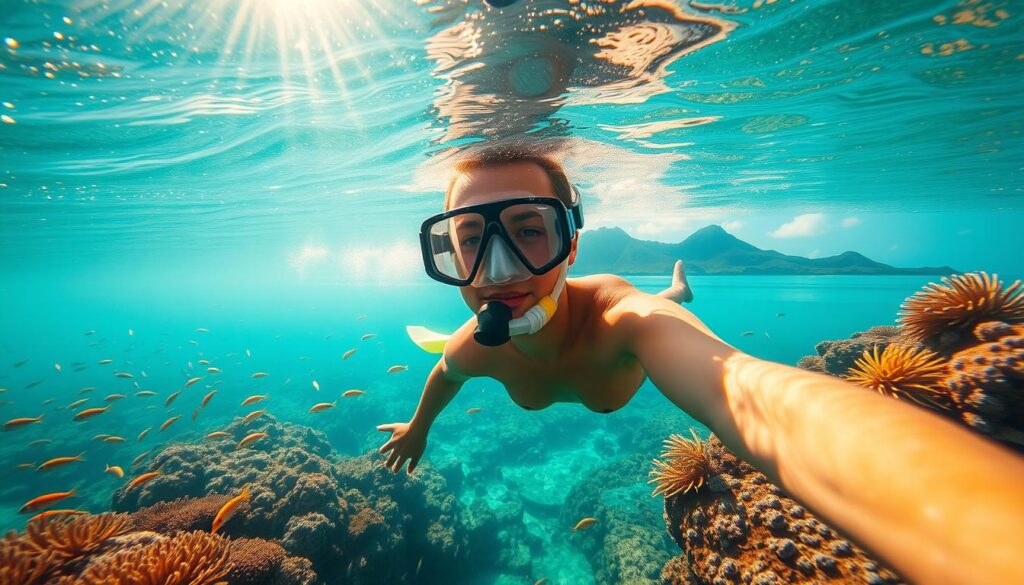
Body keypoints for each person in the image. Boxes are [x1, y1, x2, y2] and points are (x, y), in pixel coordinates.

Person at [377, 145, 1024, 585]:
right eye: (469, 241)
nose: (501, 272)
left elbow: (745, 392)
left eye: (528, 229)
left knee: (658, 306)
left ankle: (675, 294)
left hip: (632, 308)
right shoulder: (470, 344)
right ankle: (677, 289)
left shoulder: (622, 321)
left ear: (571, 240)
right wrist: (418, 429)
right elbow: (443, 377)